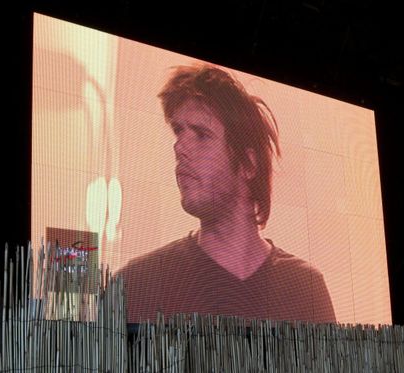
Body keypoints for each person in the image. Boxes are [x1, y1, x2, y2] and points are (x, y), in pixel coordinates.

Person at [118, 64, 336, 323]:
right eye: (178, 132)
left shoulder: (304, 287)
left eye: (201, 134)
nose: (180, 147)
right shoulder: (138, 283)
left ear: (247, 164)